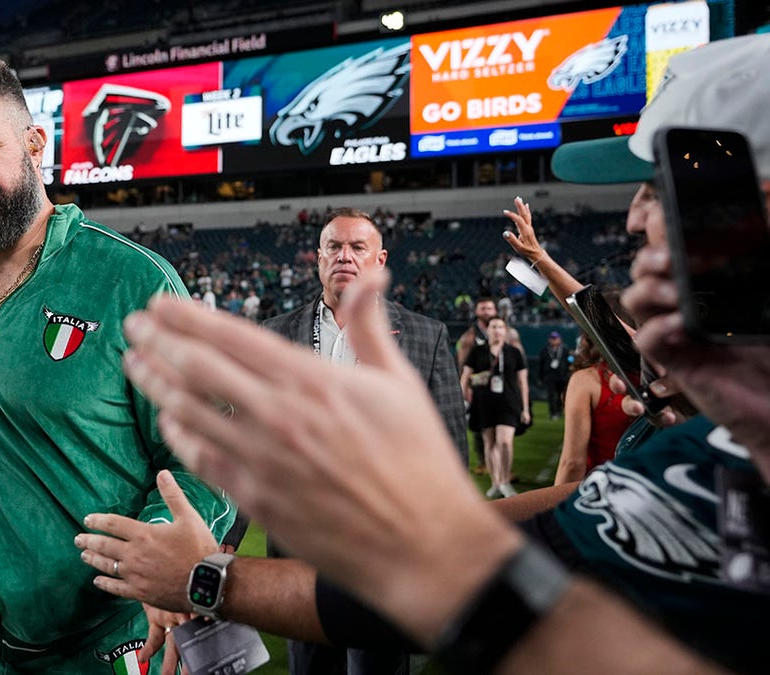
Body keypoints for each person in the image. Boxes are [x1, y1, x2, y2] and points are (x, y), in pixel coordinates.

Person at [109, 34, 770, 675]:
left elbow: (560, 627)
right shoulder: (706, 441)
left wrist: (206, 580)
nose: (632, 216)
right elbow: (569, 519)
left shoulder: (423, 333)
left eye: (659, 185)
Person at [0, 55, 233, 673]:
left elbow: (206, 456)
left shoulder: (131, 282)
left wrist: (157, 554)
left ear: (35, 144)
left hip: (87, 642)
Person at [260, 207, 466, 675]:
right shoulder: (275, 333)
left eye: (357, 247)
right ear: (318, 259)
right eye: (334, 247)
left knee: (380, 667)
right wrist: (227, 537)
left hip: (387, 540)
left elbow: (450, 447)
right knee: (311, 666)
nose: (344, 256)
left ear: (379, 259)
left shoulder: (425, 335)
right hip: (301, 542)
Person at [551, 334, 634, 485]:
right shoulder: (667, 378)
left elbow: (573, 463)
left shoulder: (586, 379)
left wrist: (556, 507)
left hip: (600, 490)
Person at [461, 316, 529, 497]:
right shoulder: (477, 351)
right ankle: (495, 482)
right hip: (484, 402)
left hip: (509, 402)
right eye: (493, 326)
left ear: (505, 330)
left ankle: (505, 480)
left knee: (505, 442)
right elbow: (465, 376)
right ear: (488, 329)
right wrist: (463, 400)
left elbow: (523, 381)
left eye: (500, 326)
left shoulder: (514, 352)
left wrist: (526, 408)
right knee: (489, 443)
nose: (497, 330)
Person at [455, 297, 522, 475]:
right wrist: (466, 388)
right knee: (483, 431)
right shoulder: (468, 336)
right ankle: (484, 462)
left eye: (489, 308)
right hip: (480, 389)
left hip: (505, 389)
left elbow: (518, 362)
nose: (486, 312)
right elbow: (462, 365)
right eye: (483, 308)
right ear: (476, 311)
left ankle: (504, 468)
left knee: (505, 431)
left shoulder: (510, 333)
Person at [536, 331, 570, 419]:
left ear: (560, 339)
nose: (554, 340)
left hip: (562, 376)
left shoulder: (565, 349)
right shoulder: (544, 350)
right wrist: (541, 377)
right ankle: (553, 412)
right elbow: (541, 364)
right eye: (552, 339)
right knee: (551, 395)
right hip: (550, 376)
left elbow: (569, 361)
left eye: (556, 339)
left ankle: (559, 411)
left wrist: (568, 373)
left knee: (560, 395)